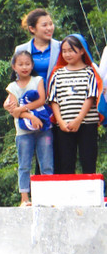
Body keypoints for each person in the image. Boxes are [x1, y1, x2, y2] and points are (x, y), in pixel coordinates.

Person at [47, 33, 101, 175]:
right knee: (66, 163)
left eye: (71, 50)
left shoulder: (90, 72)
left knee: (88, 161)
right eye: (64, 51)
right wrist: (60, 122)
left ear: (82, 50)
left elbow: (91, 97)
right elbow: (53, 100)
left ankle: (90, 194)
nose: (67, 54)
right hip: (64, 126)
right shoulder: (57, 74)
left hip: (87, 124)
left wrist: (78, 120)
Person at [5, 50, 52, 206]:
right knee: (24, 164)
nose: (24, 67)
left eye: (27, 63)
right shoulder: (12, 87)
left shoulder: (38, 80)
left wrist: (21, 110)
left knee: (46, 163)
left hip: (43, 128)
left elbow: (41, 100)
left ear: (32, 65)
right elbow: (14, 111)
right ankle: (24, 198)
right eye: (20, 64)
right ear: (14, 66)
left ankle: (47, 197)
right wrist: (30, 116)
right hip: (23, 132)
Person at [14, 9, 59, 86]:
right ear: (32, 29)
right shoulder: (21, 50)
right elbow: (18, 79)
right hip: (33, 96)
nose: (49, 28)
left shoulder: (61, 47)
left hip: (57, 96)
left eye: (51, 24)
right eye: (44, 25)